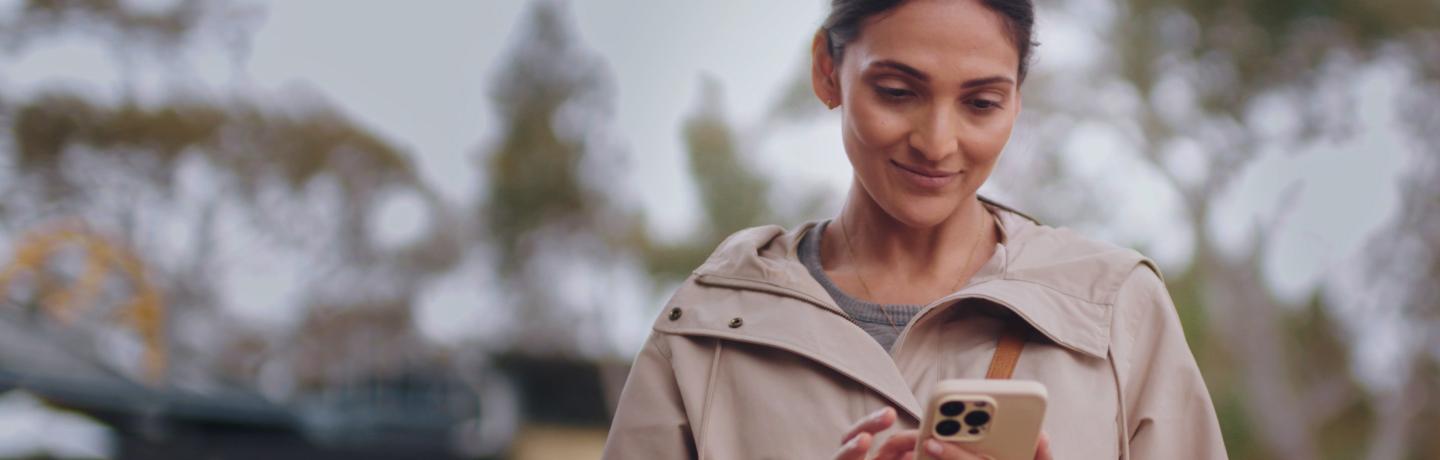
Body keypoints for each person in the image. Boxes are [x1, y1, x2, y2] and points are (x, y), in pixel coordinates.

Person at [601, 0, 1228, 458]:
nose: (937, 143)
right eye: (898, 91)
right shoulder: (706, 328)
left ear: (1017, 98)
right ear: (826, 71)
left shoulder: (1115, 310)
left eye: (981, 103)